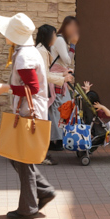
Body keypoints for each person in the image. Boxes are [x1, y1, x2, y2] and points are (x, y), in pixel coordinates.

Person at [0, 13, 56, 219]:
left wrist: (6, 88)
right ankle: (42, 191)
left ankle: (29, 206)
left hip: (28, 112)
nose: (4, 35)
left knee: (20, 158)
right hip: (31, 110)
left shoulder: (23, 56)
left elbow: (32, 88)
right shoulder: (28, 52)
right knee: (19, 157)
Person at [35, 24, 73, 165]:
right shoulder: (41, 51)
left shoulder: (42, 49)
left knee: (44, 119)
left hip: (40, 91)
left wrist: (62, 75)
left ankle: (41, 153)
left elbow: (45, 73)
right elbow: (44, 75)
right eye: (54, 35)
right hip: (38, 92)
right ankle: (40, 154)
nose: (56, 38)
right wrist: (62, 78)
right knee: (43, 120)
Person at [48, 16, 79, 151]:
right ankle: (56, 140)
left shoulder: (60, 40)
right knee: (59, 110)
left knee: (61, 109)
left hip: (59, 78)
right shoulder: (60, 40)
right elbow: (67, 61)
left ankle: (57, 139)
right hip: (58, 79)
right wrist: (73, 45)